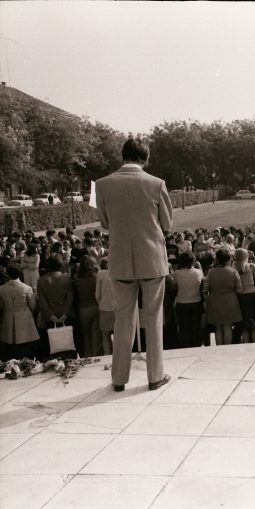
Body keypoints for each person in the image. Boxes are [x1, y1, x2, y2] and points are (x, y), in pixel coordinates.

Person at [95, 136, 173, 392]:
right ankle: (155, 376)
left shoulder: (102, 185)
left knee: (123, 321)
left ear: (122, 155)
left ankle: (119, 379)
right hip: (151, 258)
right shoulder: (156, 183)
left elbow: (105, 223)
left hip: (119, 260)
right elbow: (167, 224)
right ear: (145, 157)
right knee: (153, 319)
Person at [0, 265, 40, 361]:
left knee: (10, 344)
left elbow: (1, 306)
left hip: (8, 315)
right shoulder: (26, 288)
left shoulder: (1, 289)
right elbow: (33, 306)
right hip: (24, 316)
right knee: (26, 345)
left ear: (7, 274)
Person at [203, 249, 243, 346]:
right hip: (230, 301)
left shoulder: (211, 272)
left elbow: (205, 290)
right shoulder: (233, 272)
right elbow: (239, 289)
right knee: (228, 326)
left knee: (218, 327)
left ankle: (219, 349)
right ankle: (227, 349)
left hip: (215, 301)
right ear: (228, 259)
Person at [174, 251, 205, 348]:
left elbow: (175, 287)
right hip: (196, 302)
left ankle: (185, 346)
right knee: (196, 327)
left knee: (184, 328)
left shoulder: (177, 273)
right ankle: (196, 346)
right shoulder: (199, 272)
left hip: (181, 303)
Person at [73, 255, 102, 357]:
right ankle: (96, 355)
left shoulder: (76, 278)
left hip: (83, 308)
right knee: (96, 334)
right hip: (96, 306)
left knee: (85, 334)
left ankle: (87, 355)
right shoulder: (97, 276)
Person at [234, 248, 255, 342]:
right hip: (253, 295)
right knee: (254, 324)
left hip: (241, 297)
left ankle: (245, 345)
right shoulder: (252, 266)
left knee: (244, 324)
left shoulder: (234, 269)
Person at [95, 257, 117, 355]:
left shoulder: (100, 274)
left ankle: (108, 355)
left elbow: (97, 294)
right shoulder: (118, 272)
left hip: (104, 306)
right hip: (117, 307)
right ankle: (118, 355)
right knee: (117, 334)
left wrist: (101, 303)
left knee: (105, 335)